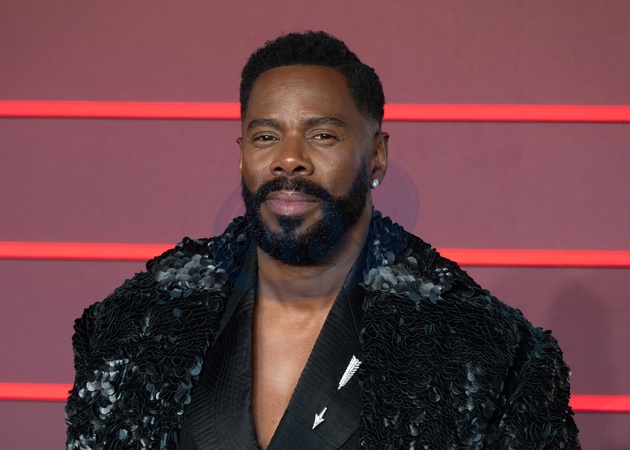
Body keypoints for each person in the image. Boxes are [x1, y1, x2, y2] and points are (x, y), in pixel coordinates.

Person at [65, 31, 580, 449]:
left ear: (376, 156)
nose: (290, 159)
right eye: (267, 137)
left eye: (322, 135)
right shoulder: (132, 326)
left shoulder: (493, 354)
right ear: (242, 156)